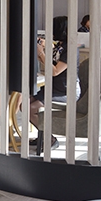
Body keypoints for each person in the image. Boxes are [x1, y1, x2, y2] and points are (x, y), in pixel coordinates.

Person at [31, 15, 80, 149]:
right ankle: (42, 135)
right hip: (54, 87)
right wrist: (41, 51)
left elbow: (55, 71)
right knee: (25, 104)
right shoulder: (60, 46)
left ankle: (50, 139)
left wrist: (41, 53)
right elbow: (49, 64)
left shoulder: (71, 49)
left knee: (30, 108)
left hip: (65, 91)